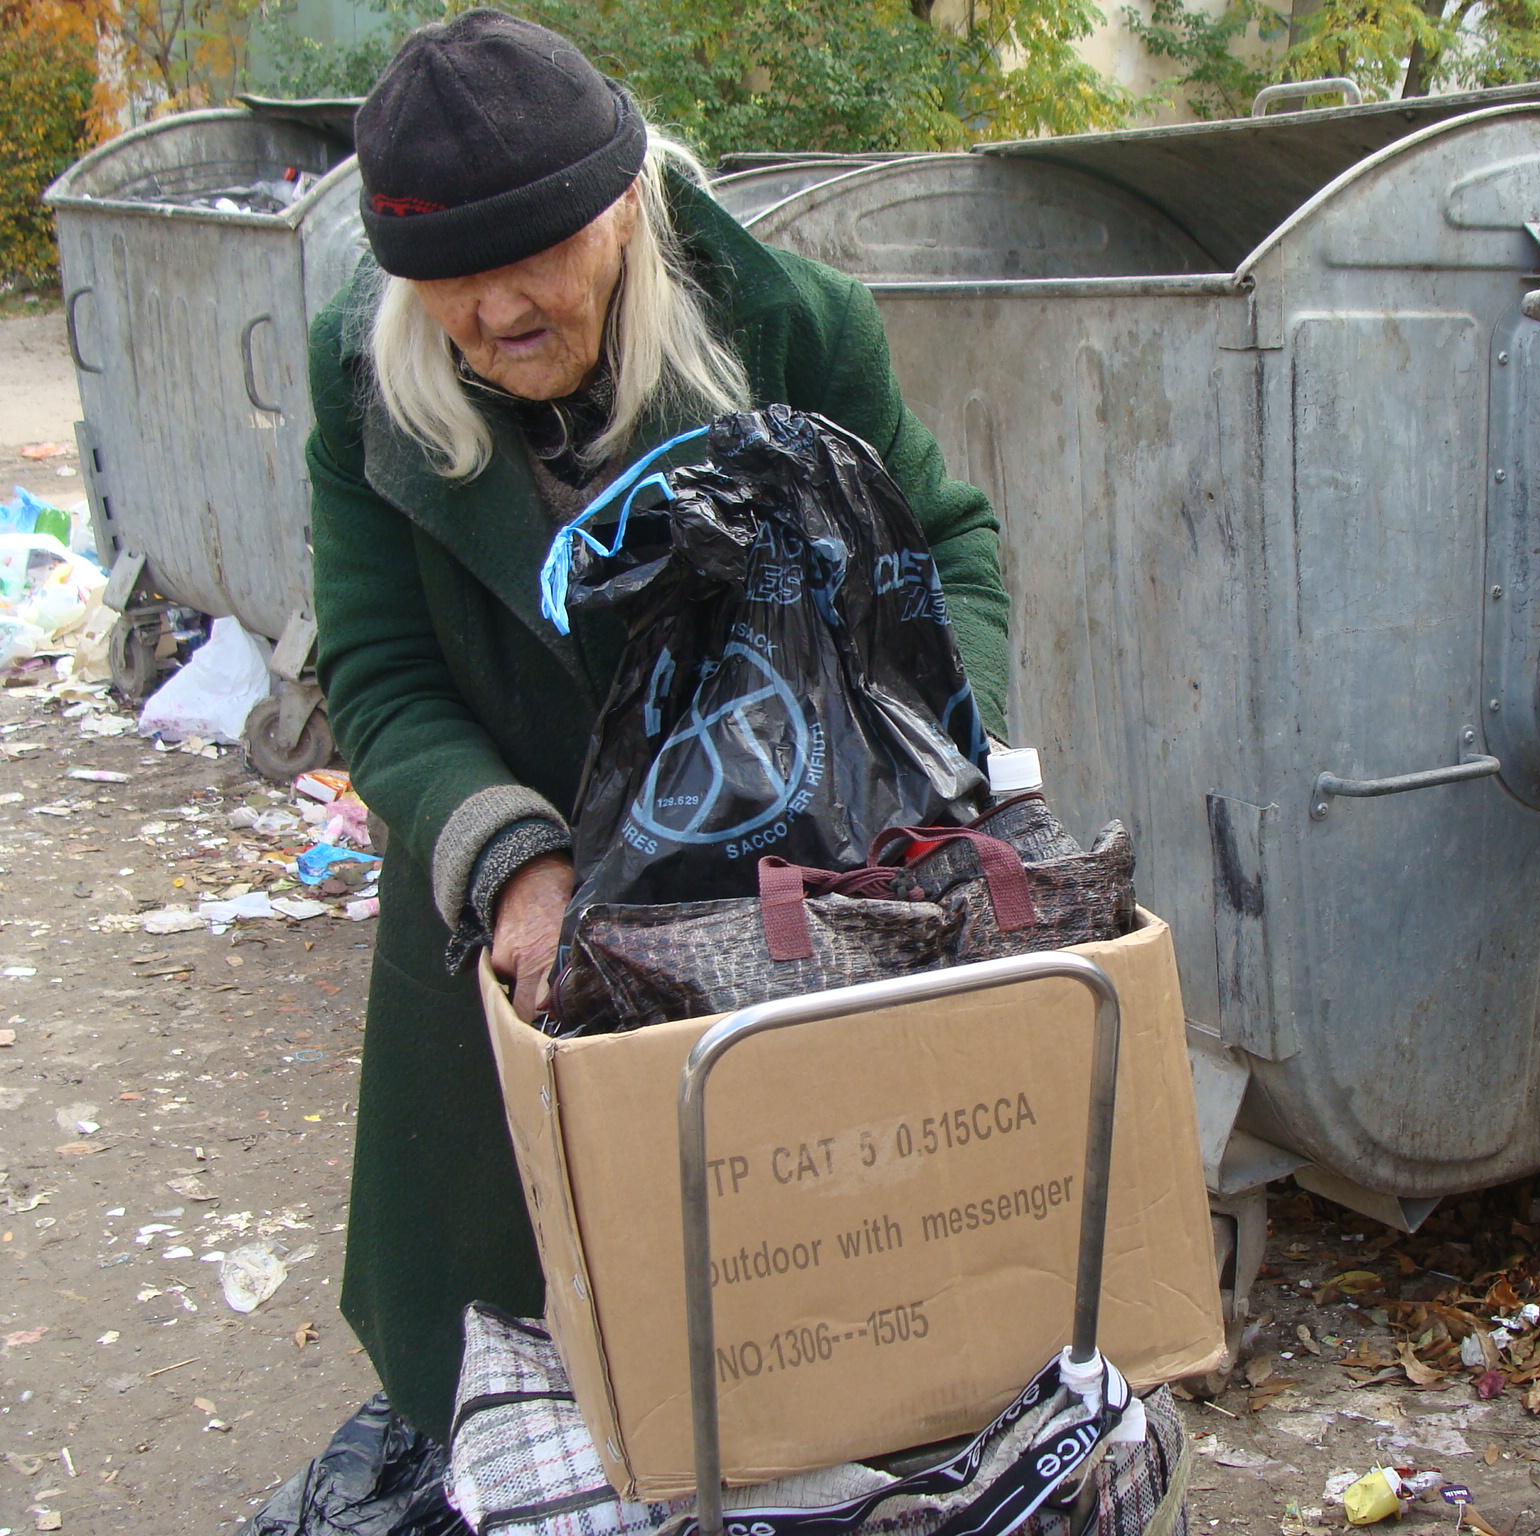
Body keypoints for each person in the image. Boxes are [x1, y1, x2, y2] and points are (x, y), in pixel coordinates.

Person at [307, 8, 1010, 1442]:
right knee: (525, 1336)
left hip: (786, 875)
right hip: (528, 929)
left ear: (626, 207)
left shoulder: (796, 328)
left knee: (802, 1303)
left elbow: (947, 558)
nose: (498, 314)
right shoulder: (362, 375)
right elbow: (379, 670)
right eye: (451, 282)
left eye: (536, 263)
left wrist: (907, 779)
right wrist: (512, 862)